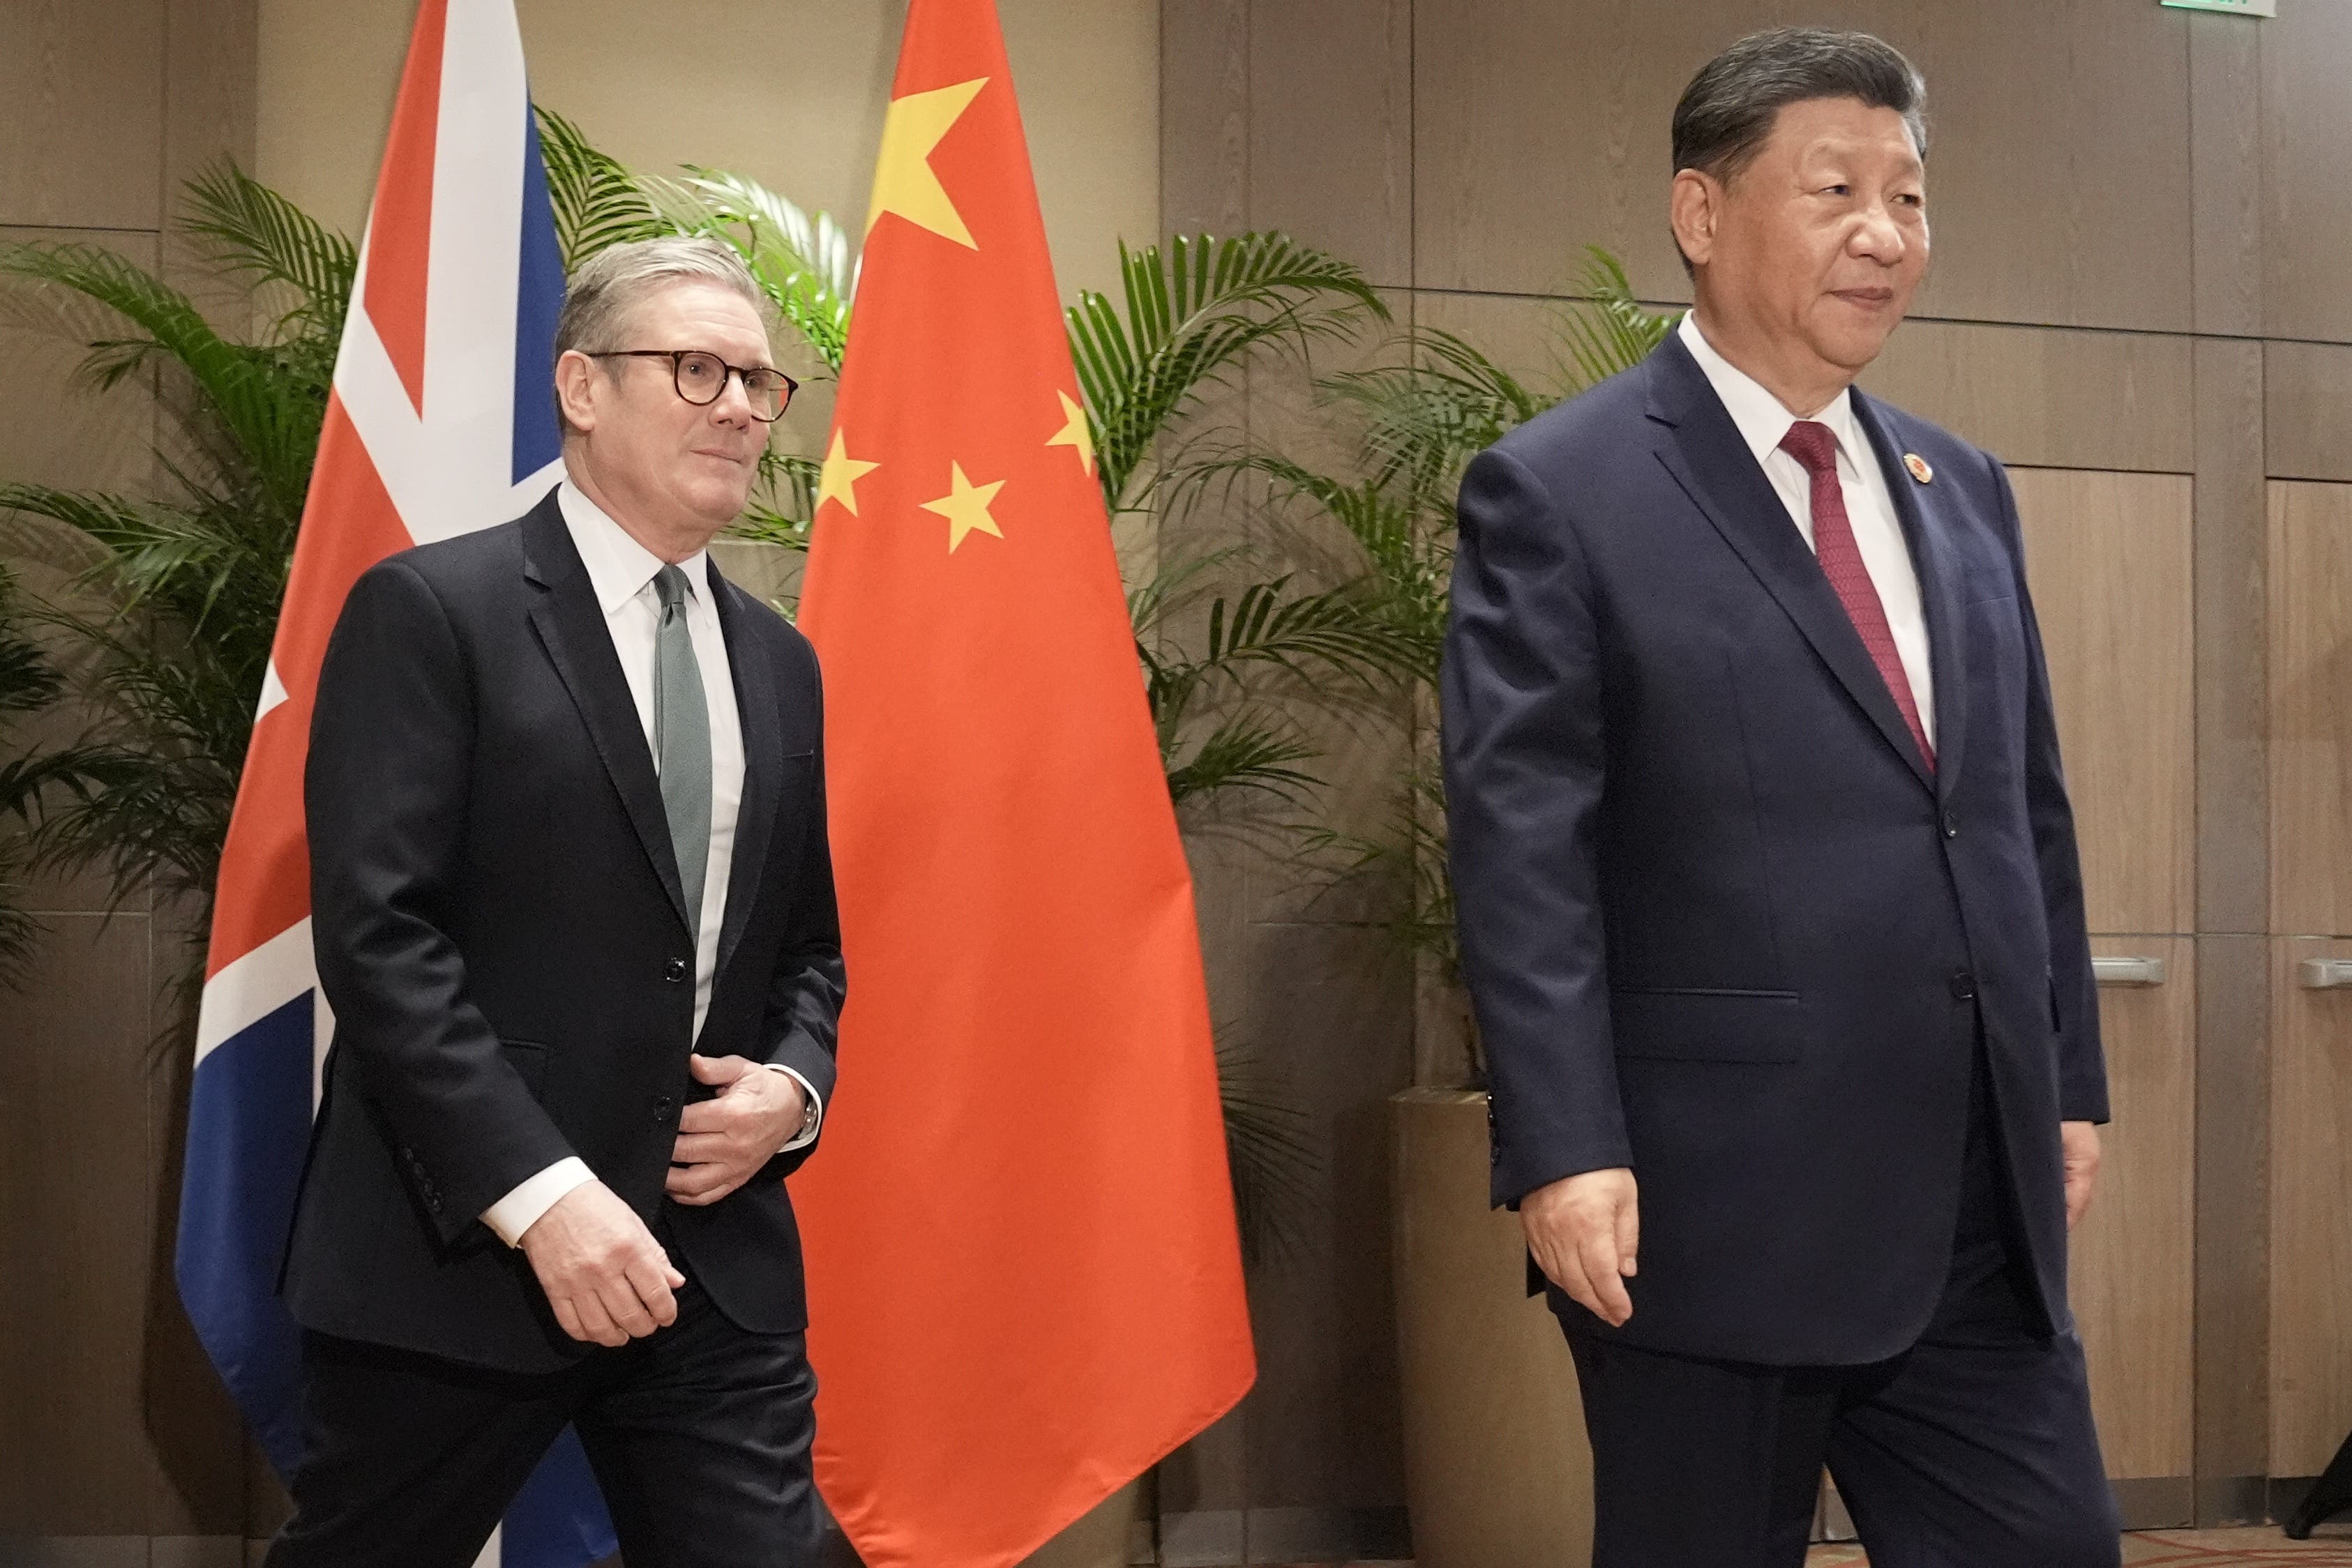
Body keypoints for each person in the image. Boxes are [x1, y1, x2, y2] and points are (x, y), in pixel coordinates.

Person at [1442, 28, 2123, 1567]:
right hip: (1709, 1214)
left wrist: (2065, 1071)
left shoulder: (1963, 488)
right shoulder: (1563, 488)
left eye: (1910, 197)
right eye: (1837, 190)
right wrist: (1563, 1143)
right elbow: (1523, 847)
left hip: (1970, 1206)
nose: (1886, 236)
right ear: (1701, 213)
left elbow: (2021, 807)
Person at [269, 236, 844, 1568]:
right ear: (582, 388)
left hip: (714, 1260)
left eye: (763, 383)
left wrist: (792, 1092)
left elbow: (807, 945)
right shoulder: (434, 609)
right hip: (467, 1256)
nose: (744, 409)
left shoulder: (782, 658)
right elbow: (382, 940)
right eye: (698, 368)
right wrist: (541, 1196)